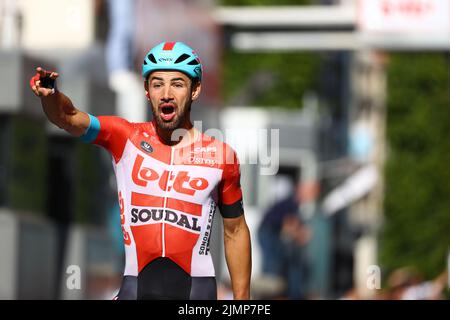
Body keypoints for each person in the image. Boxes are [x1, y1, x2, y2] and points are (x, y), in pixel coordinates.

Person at [30, 41, 252, 300]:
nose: (166, 93)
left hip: (195, 294)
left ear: (195, 90)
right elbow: (68, 117)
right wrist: (51, 96)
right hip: (135, 289)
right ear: (147, 90)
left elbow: (235, 231)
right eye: (157, 84)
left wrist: (241, 300)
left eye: (177, 84)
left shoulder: (220, 156)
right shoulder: (124, 137)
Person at [258, 179, 311, 299]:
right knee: (271, 264)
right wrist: (300, 234)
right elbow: (289, 224)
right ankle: (268, 296)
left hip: (270, 231)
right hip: (267, 231)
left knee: (275, 262)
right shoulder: (292, 203)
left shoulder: (294, 203)